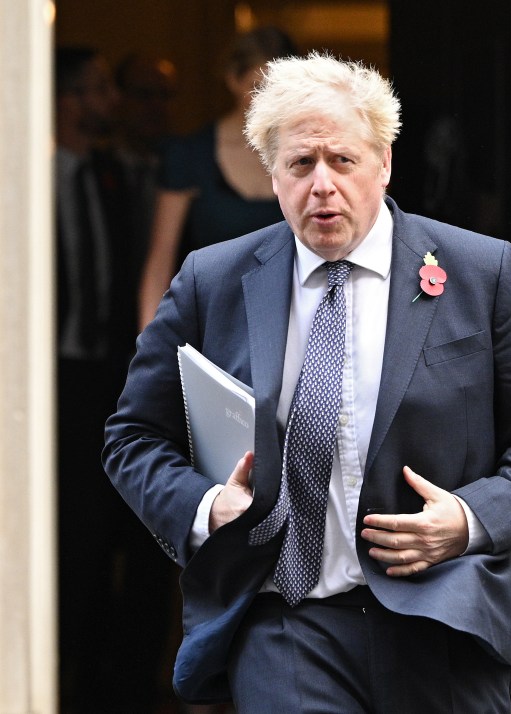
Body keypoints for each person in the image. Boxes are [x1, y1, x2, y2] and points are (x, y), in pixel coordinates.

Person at [103, 53, 511, 712]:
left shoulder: (481, 273)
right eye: (301, 164)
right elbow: (132, 438)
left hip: (439, 621)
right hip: (284, 623)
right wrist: (207, 508)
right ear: (273, 175)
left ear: (384, 163)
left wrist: (467, 522)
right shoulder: (212, 281)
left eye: (343, 160)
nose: (322, 185)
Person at [55, 46, 171, 713]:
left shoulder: (120, 176)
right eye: (99, 89)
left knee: (143, 533)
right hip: (61, 381)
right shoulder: (34, 177)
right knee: (79, 536)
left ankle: (130, 687)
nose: (115, 103)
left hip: (123, 374)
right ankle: (74, 682)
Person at [137, 27, 297, 330]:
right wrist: (149, 346)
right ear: (233, 79)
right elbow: (160, 261)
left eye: (282, 89)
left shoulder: (306, 155)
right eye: (258, 86)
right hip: (212, 326)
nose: (270, 100)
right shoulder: (191, 155)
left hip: (291, 325)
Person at [114, 53, 179, 271]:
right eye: (144, 95)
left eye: (165, 95)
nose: (156, 105)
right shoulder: (94, 171)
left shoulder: (182, 169)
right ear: (119, 98)